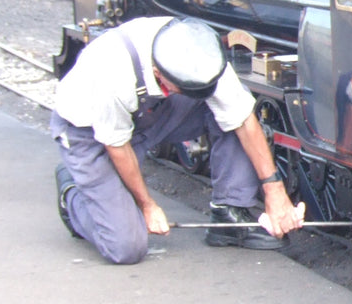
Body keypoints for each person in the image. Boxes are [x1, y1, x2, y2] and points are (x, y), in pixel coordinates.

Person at [50, 16, 304, 264]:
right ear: (158, 73)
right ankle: (71, 192)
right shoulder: (111, 72)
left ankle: (230, 213)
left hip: (148, 114)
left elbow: (243, 119)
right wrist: (148, 206)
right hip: (90, 134)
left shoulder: (201, 53)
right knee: (125, 247)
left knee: (228, 109)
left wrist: (275, 191)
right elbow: (117, 147)